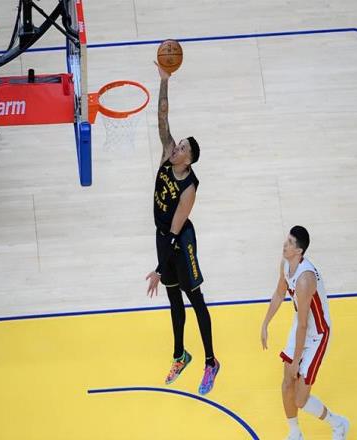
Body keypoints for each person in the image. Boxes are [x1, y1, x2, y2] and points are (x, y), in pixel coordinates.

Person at [145, 62, 220, 395]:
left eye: (183, 147)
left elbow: (175, 232)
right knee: (173, 298)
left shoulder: (189, 187)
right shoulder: (166, 155)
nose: (177, 147)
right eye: (179, 144)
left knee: (195, 298)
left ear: (188, 159)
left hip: (180, 240)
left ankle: (211, 362)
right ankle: (180, 355)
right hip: (163, 236)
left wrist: (159, 268)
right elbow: (162, 118)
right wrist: (164, 81)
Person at [261, 226, 349, 440]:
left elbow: (304, 325)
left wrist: (295, 360)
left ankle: (338, 424)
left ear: (299, 251)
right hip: (300, 326)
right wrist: (265, 323)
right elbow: (279, 293)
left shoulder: (305, 280)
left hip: (317, 334)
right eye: (287, 240)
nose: (285, 245)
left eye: (290, 243)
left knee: (300, 399)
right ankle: (295, 433)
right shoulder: (285, 264)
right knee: (286, 384)